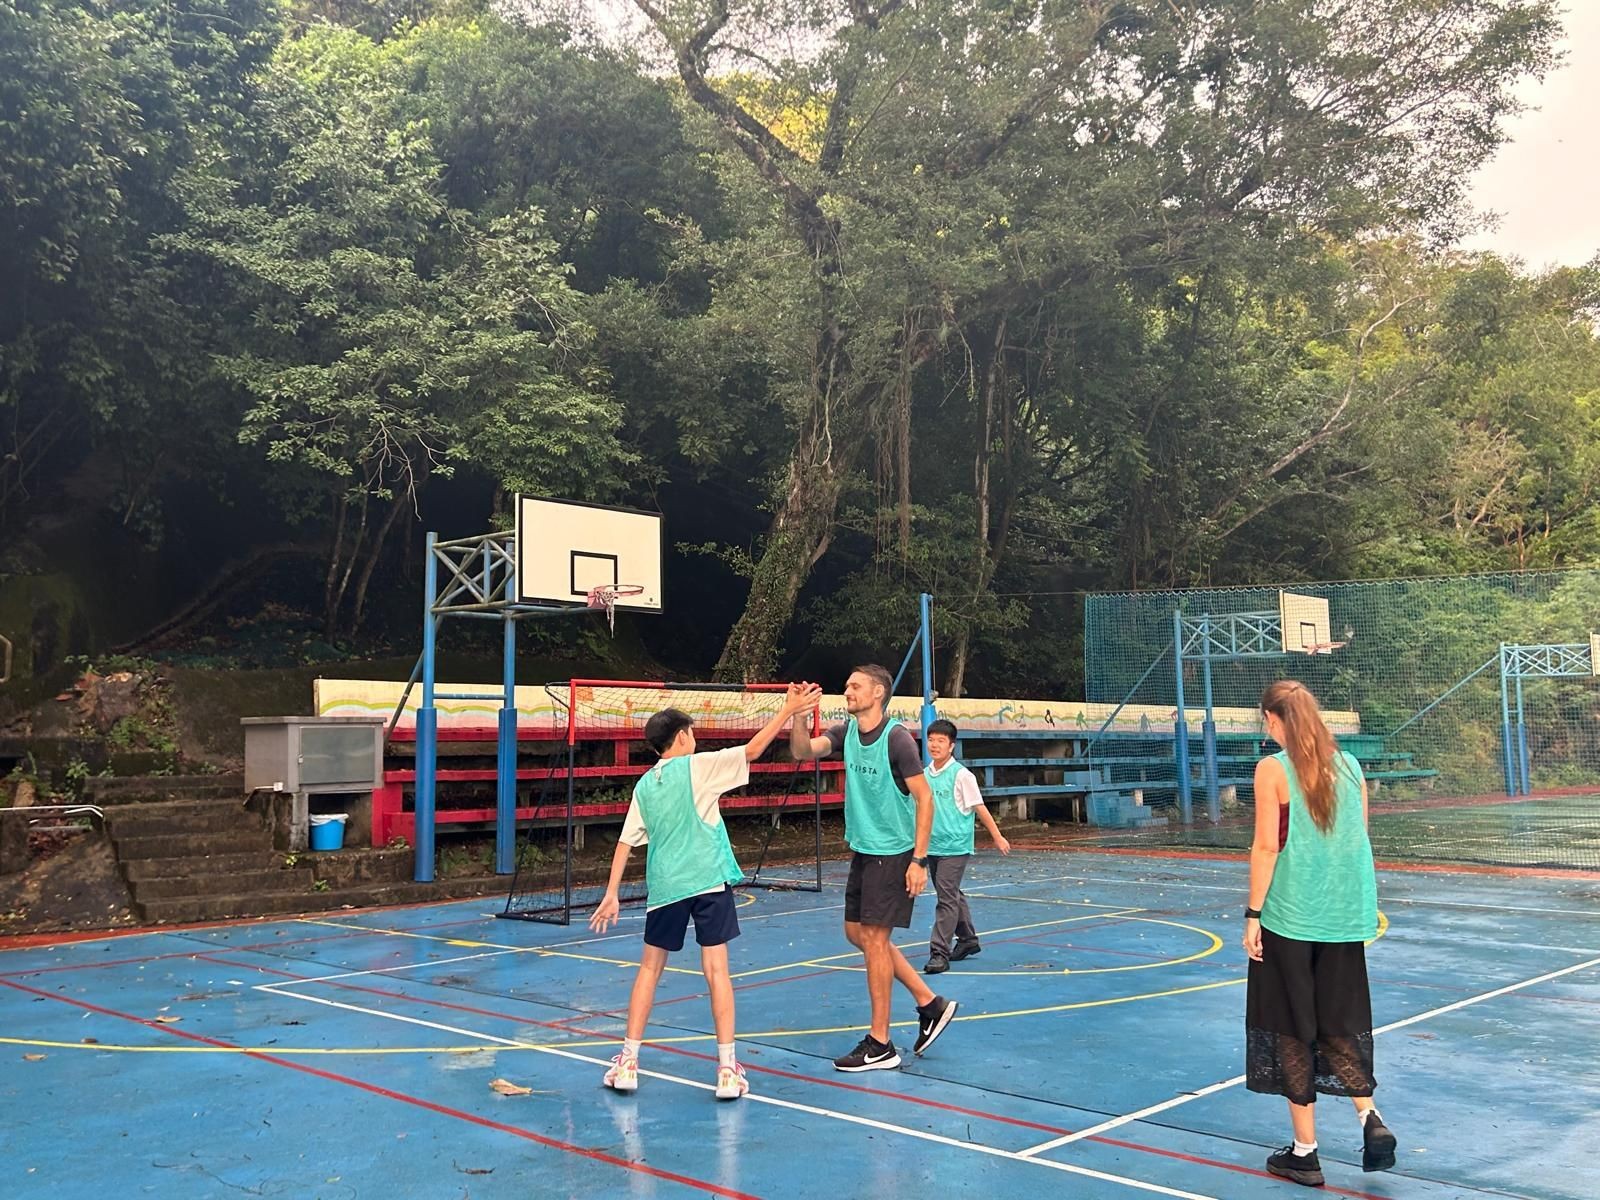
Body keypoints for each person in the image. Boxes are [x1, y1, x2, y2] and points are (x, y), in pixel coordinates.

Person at [589, 681, 823, 1100]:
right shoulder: (698, 767)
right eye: (692, 733)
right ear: (681, 737)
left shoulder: (645, 785)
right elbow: (752, 751)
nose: (695, 739)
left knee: (649, 971)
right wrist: (788, 711)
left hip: (665, 887)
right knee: (717, 973)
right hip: (707, 883)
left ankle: (628, 1061)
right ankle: (728, 1070)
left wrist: (611, 893)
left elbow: (626, 842)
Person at [1244, 680, 1398, 1187]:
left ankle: (1305, 1152)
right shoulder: (1351, 767)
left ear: (1274, 719)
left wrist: (1252, 913)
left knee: (1292, 1027)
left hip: (1290, 917)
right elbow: (1359, 839)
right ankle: (1369, 1118)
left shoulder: (1273, 770)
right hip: (1343, 917)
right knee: (1339, 1020)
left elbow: (1267, 848)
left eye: (1266, 720)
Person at [790, 665, 958, 1071]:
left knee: (875, 940)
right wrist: (797, 715)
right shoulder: (846, 732)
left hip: (894, 851)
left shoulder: (897, 738)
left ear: (878, 692)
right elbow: (801, 751)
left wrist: (919, 861)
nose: (846, 691)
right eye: (846, 685)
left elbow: (925, 799)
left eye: (855, 686)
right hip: (865, 849)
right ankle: (929, 1002)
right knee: (857, 935)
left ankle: (880, 1043)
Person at [921, 718, 1010, 974]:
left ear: (951, 746)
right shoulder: (926, 775)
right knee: (951, 894)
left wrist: (997, 836)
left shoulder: (962, 775)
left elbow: (979, 808)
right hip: (933, 846)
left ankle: (939, 953)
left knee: (945, 898)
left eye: (941, 741)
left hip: (955, 847)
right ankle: (968, 940)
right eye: (931, 739)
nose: (935, 745)